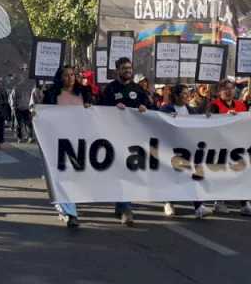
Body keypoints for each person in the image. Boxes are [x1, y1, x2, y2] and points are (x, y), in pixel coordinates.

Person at [98, 57, 153, 226]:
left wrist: (145, 108)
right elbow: (99, 110)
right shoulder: (109, 89)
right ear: (117, 71)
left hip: (135, 138)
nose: (128, 71)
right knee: (120, 171)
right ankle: (125, 207)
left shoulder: (137, 89)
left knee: (130, 171)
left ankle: (122, 205)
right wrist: (113, 109)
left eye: (129, 68)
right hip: (115, 137)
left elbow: (151, 109)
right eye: (124, 68)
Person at [38, 65, 92, 228]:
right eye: (66, 75)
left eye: (72, 75)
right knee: (62, 176)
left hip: (79, 139)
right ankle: (70, 212)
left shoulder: (84, 92)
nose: (70, 78)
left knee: (75, 176)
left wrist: (90, 107)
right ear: (60, 78)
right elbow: (45, 116)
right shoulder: (52, 94)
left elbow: (95, 111)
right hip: (58, 140)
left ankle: (65, 207)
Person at [206, 79, 251, 218]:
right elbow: (209, 122)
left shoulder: (241, 105)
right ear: (219, 92)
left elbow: (248, 120)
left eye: (231, 88)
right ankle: (219, 201)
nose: (229, 91)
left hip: (238, 145)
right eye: (225, 88)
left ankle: (245, 204)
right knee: (222, 173)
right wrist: (224, 117)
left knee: (242, 173)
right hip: (220, 145)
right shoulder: (214, 105)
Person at [160, 84, 214, 219]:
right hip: (171, 148)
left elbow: (198, 123)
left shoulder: (191, 110)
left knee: (194, 175)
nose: (187, 96)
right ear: (176, 95)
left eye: (188, 93)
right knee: (172, 176)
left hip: (188, 149)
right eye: (184, 93)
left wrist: (207, 117)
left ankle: (198, 206)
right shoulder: (166, 108)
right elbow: (157, 122)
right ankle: (168, 202)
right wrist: (166, 118)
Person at [11, 65, 38, 143]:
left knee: (28, 123)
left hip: (27, 108)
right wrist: (13, 107)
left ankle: (30, 137)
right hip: (18, 108)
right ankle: (19, 137)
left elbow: (33, 97)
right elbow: (13, 98)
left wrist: (33, 107)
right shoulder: (16, 88)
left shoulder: (30, 87)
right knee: (19, 124)